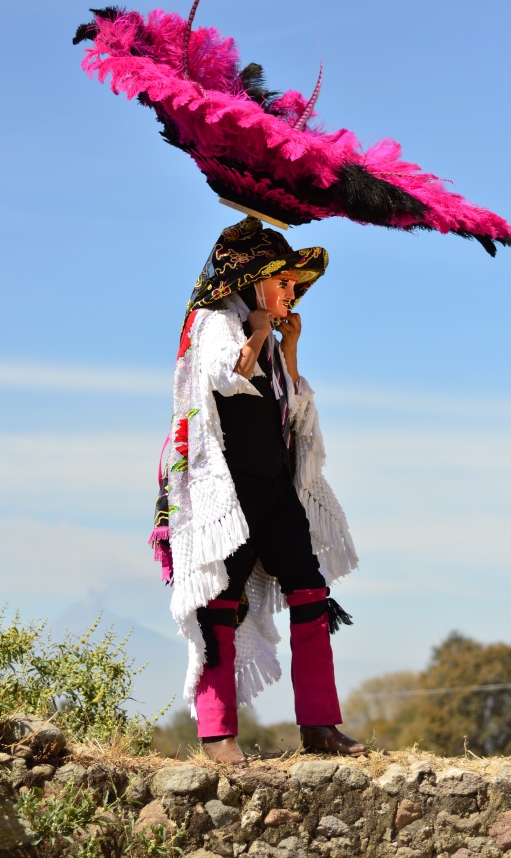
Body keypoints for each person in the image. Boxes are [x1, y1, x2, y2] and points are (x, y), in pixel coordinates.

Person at [150, 217, 365, 764]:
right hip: (229, 493)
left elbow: (291, 412)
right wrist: (264, 331)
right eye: (284, 282)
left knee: (311, 589)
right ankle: (218, 735)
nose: (292, 292)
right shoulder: (215, 322)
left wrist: (287, 348)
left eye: (294, 285)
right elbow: (228, 377)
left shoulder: (263, 334)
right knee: (220, 601)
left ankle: (319, 726)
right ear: (252, 280)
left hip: (273, 487)